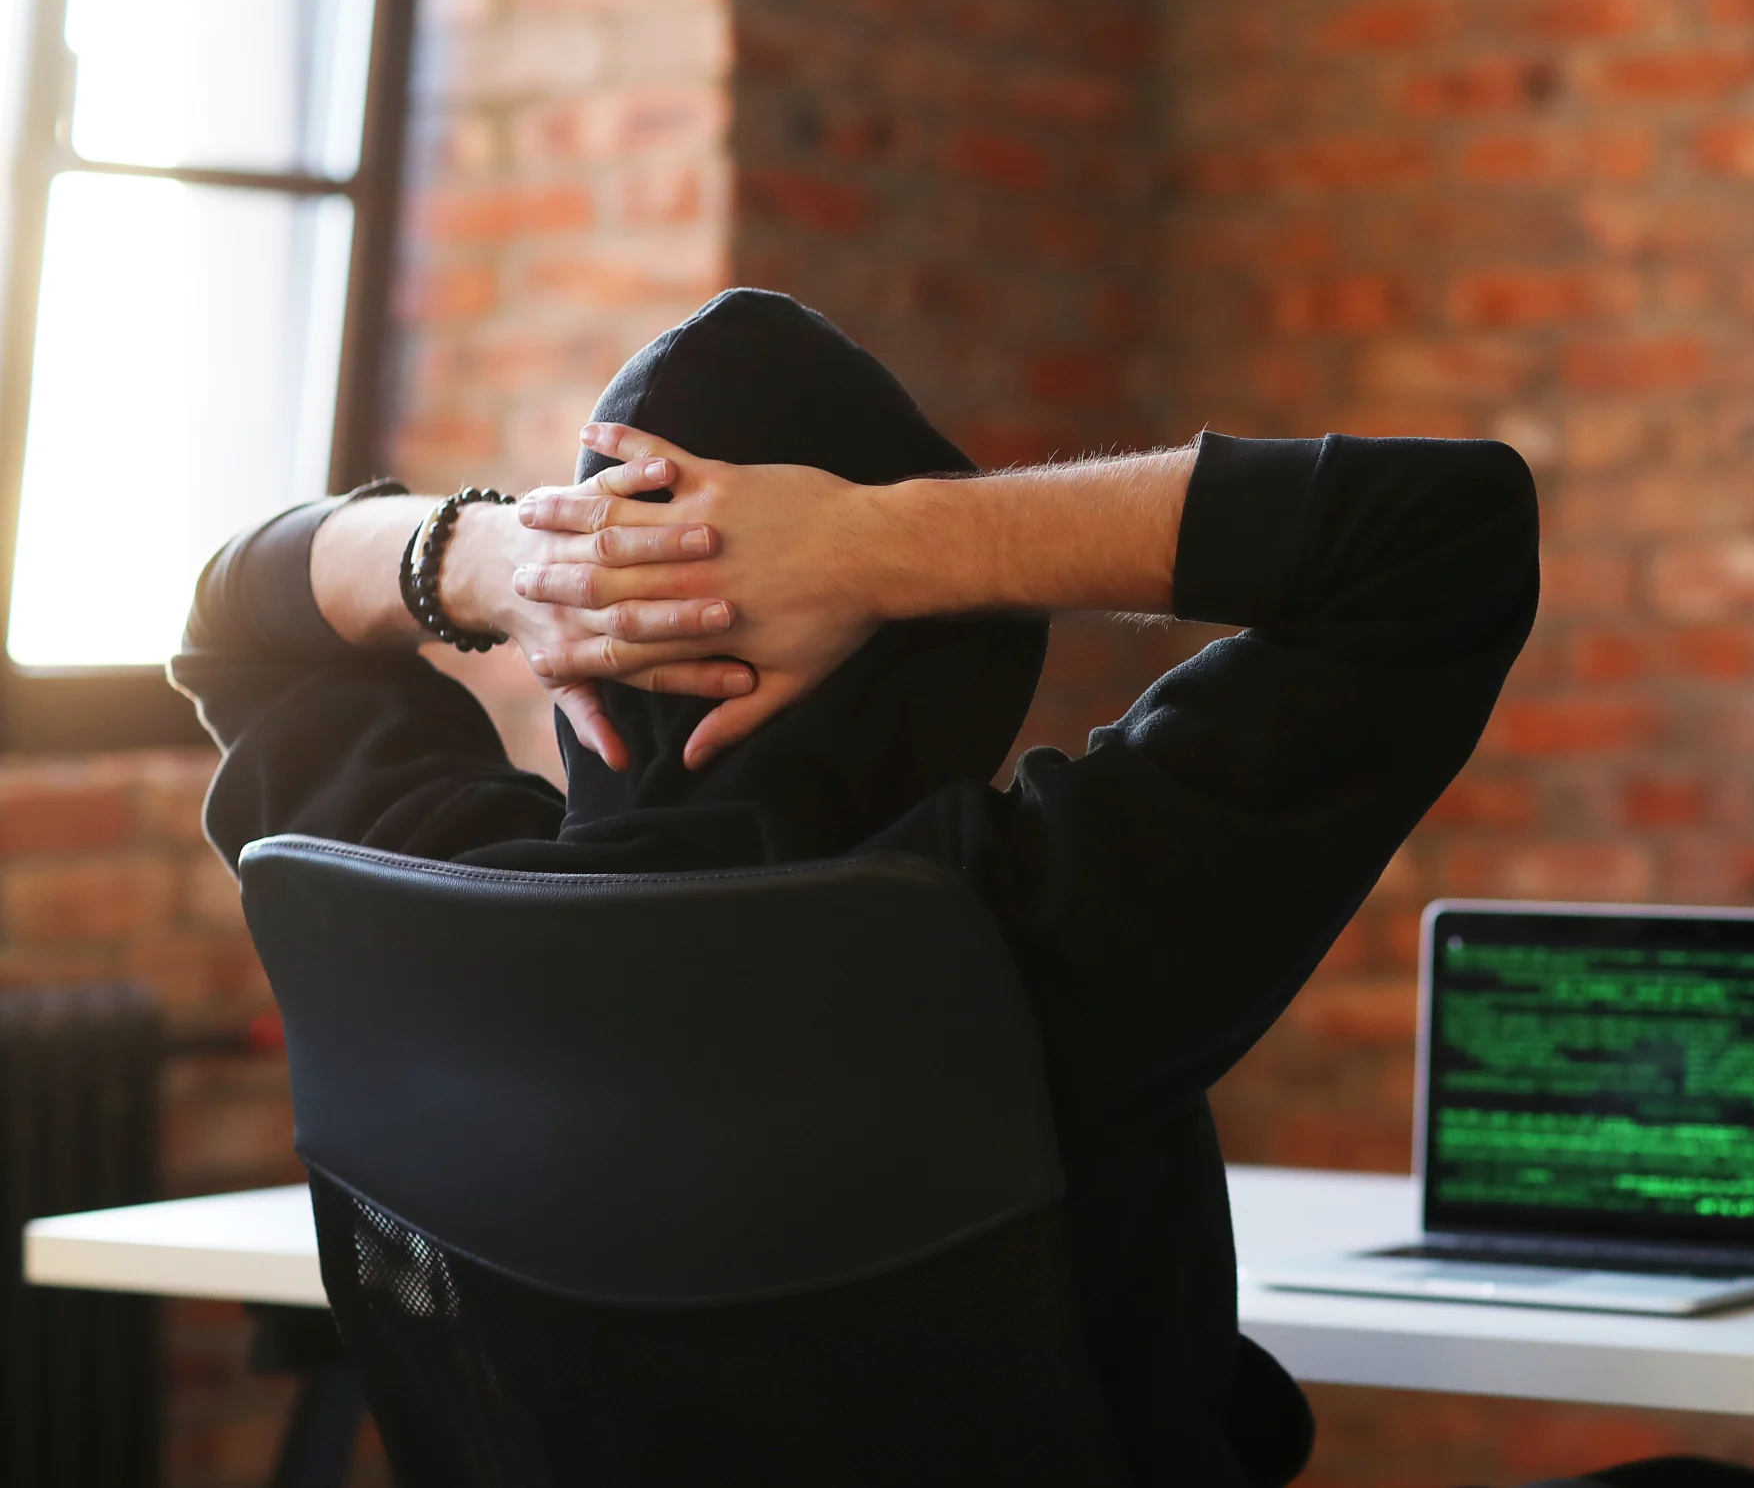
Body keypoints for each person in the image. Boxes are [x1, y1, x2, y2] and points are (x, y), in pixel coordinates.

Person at [172, 288, 1543, 1488]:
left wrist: (497, 557)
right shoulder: (1010, 924)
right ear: (935, 652)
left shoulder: (415, 900)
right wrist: (885, 545)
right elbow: (1437, 536)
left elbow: (237, 612)